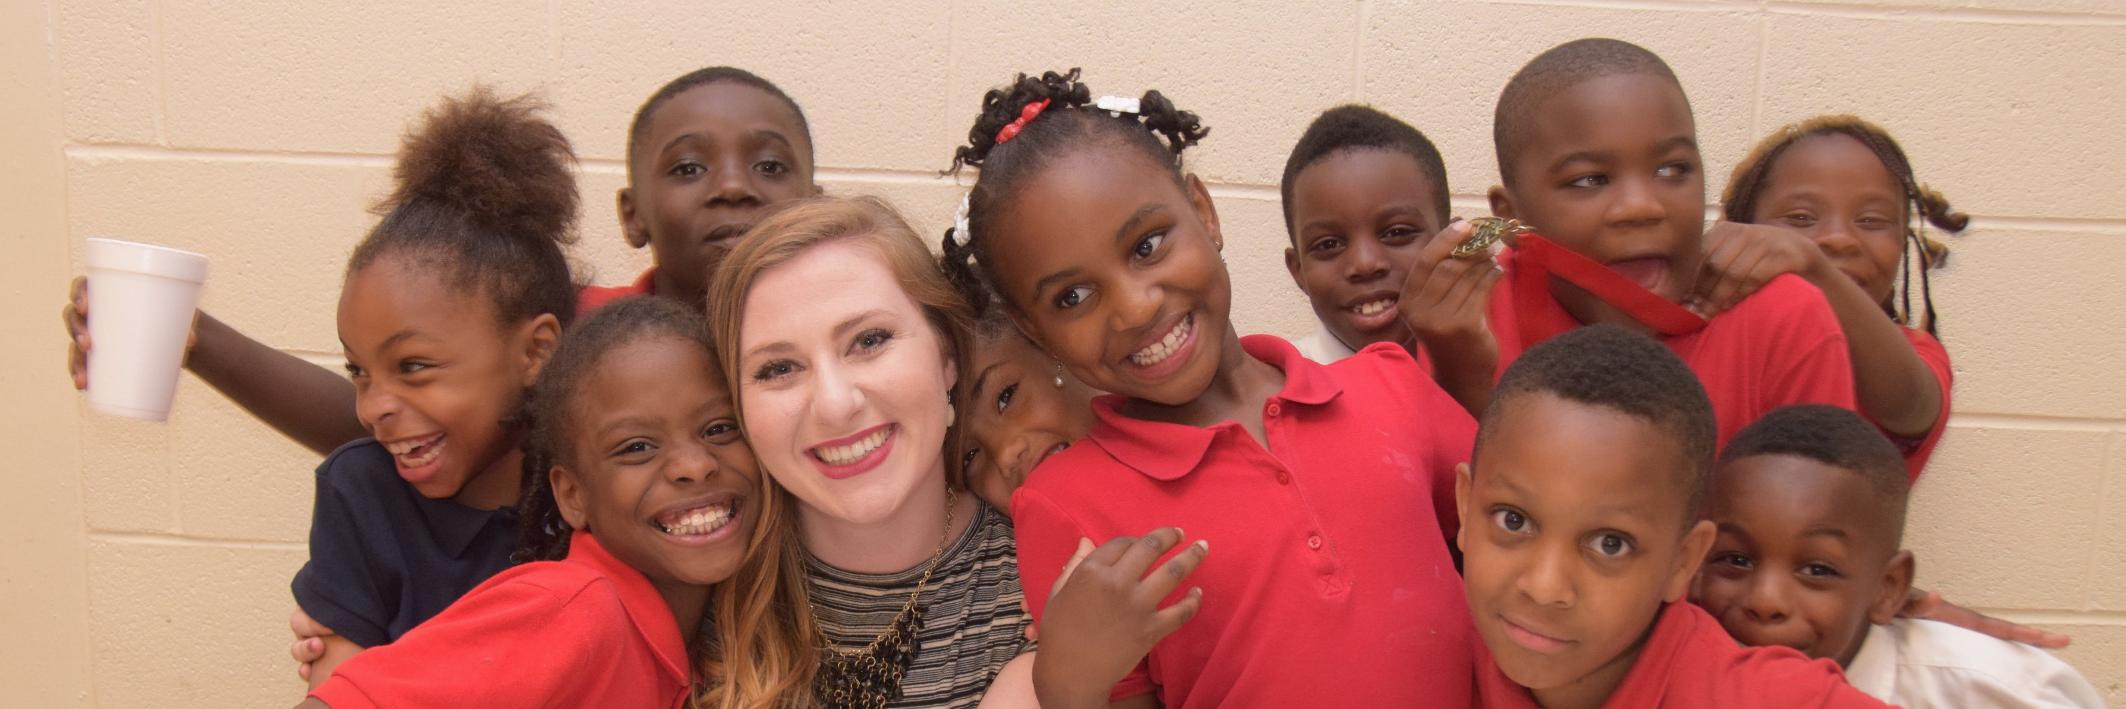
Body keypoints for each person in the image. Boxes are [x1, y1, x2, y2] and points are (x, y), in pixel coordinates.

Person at [943, 68, 1475, 707]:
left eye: (1147, 245)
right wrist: (1070, 679)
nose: (1136, 308)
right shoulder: (1065, 505)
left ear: (1203, 211)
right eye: (1073, 297)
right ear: (1034, 328)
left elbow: (1523, 559)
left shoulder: (1390, 383)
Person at [63, 66, 820, 457]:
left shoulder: (857, 341)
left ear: (813, 199)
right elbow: (393, 419)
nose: (732, 186)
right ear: (632, 215)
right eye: (687, 168)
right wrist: (196, 340)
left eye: (769, 165)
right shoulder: (586, 338)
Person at [301, 297, 774, 708]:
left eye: (719, 428)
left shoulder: (702, 637)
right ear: (572, 496)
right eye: (636, 448)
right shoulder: (570, 611)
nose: (694, 465)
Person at [1410, 37, 1857, 446]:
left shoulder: (1782, 318)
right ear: (1511, 217)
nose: (1641, 207)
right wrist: (1462, 378)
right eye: (1590, 179)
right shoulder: (1469, 324)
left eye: (1672, 169)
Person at [290, 87, 575, 686]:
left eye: (414, 366)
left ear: (535, 352)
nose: (373, 408)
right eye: (358, 371)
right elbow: (340, 687)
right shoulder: (361, 492)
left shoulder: (591, 490)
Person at [708, 195, 1036, 707]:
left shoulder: (1044, 588)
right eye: (778, 369)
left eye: (869, 340)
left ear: (946, 355)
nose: (835, 405)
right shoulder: (706, 592)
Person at [1460, 325, 1885, 707]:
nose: (1544, 587)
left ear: (1684, 561)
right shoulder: (1432, 655)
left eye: (1610, 544)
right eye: (1513, 520)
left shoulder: (1768, 698)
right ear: (1465, 507)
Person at [1694, 405, 2103, 707]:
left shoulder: (1992, 690)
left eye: (1817, 569)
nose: (1766, 601)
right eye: (1735, 560)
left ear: (1888, 588)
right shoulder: (1681, 675)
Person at [1715, 115, 1968, 478]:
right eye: (1801, 218)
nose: (1839, 239)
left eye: (1871, 220)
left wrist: (1812, 266)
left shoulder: (1912, 357)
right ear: (1744, 231)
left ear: (1902, 242)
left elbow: (1911, 403)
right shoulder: (1713, 336)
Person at [1277, 104, 1455, 363]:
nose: (1365, 264)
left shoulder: (1498, 369)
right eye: (1328, 245)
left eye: (1396, 232)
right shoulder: (1282, 383)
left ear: (1452, 241)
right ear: (1298, 270)